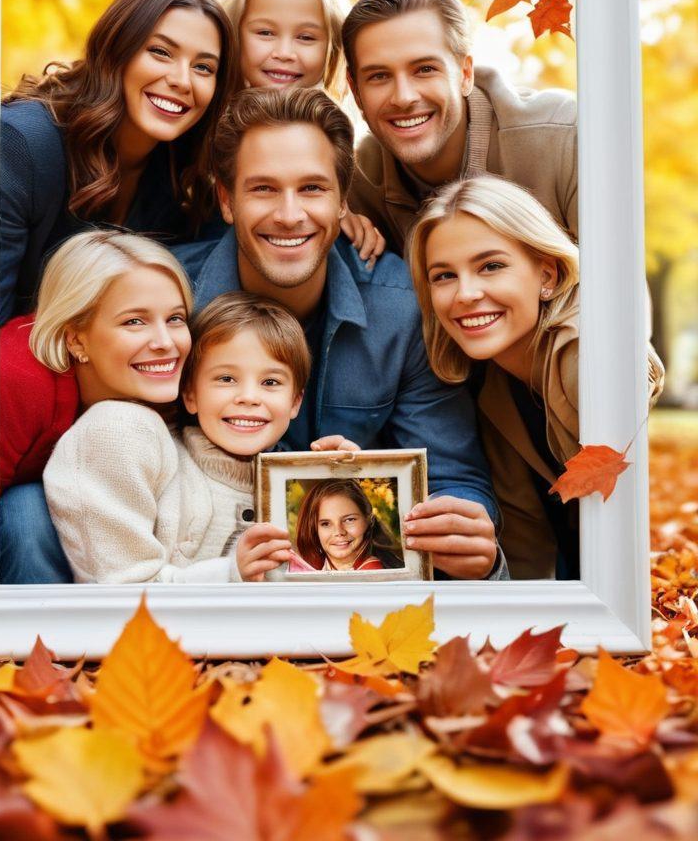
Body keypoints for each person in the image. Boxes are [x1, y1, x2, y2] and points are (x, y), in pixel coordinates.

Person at [173, 86, 503, 580]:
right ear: (226, 198)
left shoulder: (400, 310)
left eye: (312, 188)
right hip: (192, 573)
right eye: (263, 188)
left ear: (342, 200)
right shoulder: (170, 300)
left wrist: (466, 530)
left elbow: (453, 476)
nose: (289, 214)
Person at [406, 175, 664, 579]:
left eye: (490, 266)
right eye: (444, 276)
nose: (465, 293)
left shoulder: (588, 354)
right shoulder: (492, 387)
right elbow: (527, 548)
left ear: (547, 275)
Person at [43, 291, 358, 583]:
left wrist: (348, 478)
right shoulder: (157, 461)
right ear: (190, 393)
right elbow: (124, 590)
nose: (248, 397)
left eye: (271, 382)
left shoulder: (295, 491)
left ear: (295, 402)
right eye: (226, 378)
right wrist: (230, 573)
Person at [0, 0, 240, 325]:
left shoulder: (179, 180)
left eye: (203, 67)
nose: (182, 80)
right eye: (160, 52)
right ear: (117, 49)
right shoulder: (24, 144)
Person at [0, 229, 195, 584]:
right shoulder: (15, 376)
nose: (166, 343)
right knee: (24, 509)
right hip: (15, 544)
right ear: (76, 338)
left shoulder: (179, 376)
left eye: (175, 319)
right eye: (135, 321)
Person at [343, 0, 578, 255]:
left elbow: (623, 290)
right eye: (379, 76)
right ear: (356, 92)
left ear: (466, 74)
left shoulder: (563, 139)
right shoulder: (357, 184)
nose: (404, 97)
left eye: (425, 69)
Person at [223, 0, 384, 266]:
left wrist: (343, 210)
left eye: (306, 37)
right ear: (237, 35)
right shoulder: (206, 122)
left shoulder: (341, 142)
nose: (284, 52)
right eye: (265, 33)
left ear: (332, 47)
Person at [291, 479, 403, 572]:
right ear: (315, 529)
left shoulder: (373, 573)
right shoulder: (307, 567)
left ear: (368, 519)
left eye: (349, 520)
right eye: (325, 524)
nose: (339, 532)